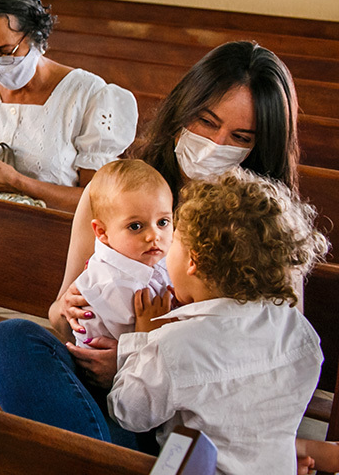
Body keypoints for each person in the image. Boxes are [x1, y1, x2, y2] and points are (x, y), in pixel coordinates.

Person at [0, 40, 301, 446]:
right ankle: (102, 456)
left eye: (240, 136)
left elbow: (267, 361)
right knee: (11, 341)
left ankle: (99, 459)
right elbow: (62, 315)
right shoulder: (119, 192)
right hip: (104, 388)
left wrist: (137, 360)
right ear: (182, 111)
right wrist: (68, 311)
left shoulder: (266, 227)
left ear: (261, 148)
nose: (215, 144)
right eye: (205, 121)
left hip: (189, 417)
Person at [0, 0, 137, 395]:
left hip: (57, 240)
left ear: (37, 36)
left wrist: (17, 182)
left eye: (5, 51)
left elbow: (98, 204)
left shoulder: (88, 95)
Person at [108, 172, 328, 475]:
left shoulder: (176, 344)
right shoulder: (299, 332)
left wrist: (143, 338)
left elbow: (128, 412)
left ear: (193, 260)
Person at [72, 160, 173, 347]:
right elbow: (146, 346)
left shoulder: (149, 255)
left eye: (163, 222)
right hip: (108, 369)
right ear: (102, 232)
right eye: (135, 226)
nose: (154, 236)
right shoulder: (114, 284)